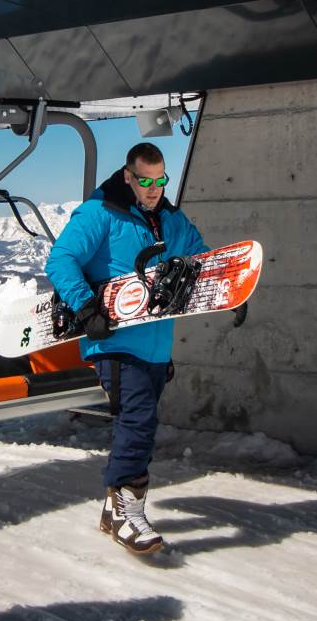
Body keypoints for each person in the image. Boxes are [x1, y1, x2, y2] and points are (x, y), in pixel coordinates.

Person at [45, 142, 207, 556]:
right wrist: (84, 306)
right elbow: (60, 260)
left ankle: (114, 508)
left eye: (161, 180)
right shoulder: (100, 213)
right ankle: (124, 511)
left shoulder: (170, 219)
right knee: (137, 420)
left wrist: (226, 290)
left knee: (142, 421)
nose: (154, 189)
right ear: (128, 176)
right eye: (146, 181)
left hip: (156, 342)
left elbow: (201, 257)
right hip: (114, 340)